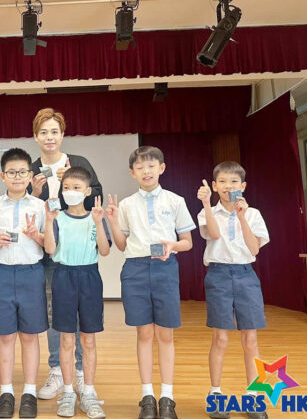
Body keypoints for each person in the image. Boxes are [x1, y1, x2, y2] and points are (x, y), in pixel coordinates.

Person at [106, 146, 195, 419]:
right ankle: (147, 396)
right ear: (132, 172)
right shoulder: (126, 205)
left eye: (151, 165)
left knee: (165, 335)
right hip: (135, 269)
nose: (146, 171)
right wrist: (112, 222)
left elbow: (188, 242)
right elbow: (122, 245)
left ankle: (167, 397)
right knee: (144, 333)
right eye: (140, 167)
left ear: (162, 168)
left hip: (165, 268)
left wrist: (173, 245)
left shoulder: (175, 201)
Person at [28, 108, 103, 400]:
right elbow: (26, 209)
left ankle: (82, 373)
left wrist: (71, 183)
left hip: (79, 253)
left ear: (62, 135)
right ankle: (57, 371)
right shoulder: (32, 168)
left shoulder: (78, 163)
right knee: (54, 313)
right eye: (44, 132)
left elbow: (96, 196)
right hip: (47, 251)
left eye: (54, 132)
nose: (49, 137)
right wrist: (34, 193)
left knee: (83, 316)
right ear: (36, 137)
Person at [197, 161, 270, 419]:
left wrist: (241, 217)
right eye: (223, 182)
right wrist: (206, 204)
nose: (229, 187)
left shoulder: (253, 214)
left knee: (250, 339)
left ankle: (253, 395)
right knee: (220, 338)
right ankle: (216, 393)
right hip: (218, 275)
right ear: (215, 186)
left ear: (243, 186)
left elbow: (254, 249)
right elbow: (214, 235)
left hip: (246, 275)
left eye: (234, 182)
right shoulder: (207, 212)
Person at [0, 148, 48, 418]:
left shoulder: (40, 206)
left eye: (22, 172)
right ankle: (6, 392)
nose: (17, 176)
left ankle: (29, 392)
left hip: (31, 273)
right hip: (0, 274)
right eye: (12, 172)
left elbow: (50, 245)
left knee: (30, 336)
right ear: (3, 176)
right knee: (5, 336)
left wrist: (36, 236)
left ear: (30, 175)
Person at [44, 167, 110, 418]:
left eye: (76, 188)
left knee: (88, 339)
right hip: (64, 277)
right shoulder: (58, 218)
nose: (70, 192)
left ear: (88, 191)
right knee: (66, 339)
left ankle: (89, 393)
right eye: (66, 188)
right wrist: (48, 221)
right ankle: (68, 392)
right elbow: (50, 250)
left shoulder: (96, 217)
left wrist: (98, 223)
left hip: (90, 276)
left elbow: (105, 250)